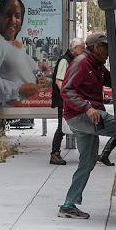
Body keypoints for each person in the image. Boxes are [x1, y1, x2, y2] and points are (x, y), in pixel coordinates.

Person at [58, 32, 116, 219]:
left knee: (87, 162)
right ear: (96, 48)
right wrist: (87, 107)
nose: (108, 51)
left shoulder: (98, 65)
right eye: (105, 47)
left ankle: (68, 205)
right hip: (82, 115)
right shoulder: (82, 62)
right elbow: (66, 90)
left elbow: (114, 80)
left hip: (87, 116)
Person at [0, 0, 43, 108]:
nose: (13, 20)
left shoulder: (13, 44)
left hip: (22, 110)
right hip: (4, 112)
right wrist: (19, 89)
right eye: (8, 15)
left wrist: (39, 74)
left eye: (17, 16)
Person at [49, 37, 85, 165]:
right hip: (64, 100)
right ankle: (54, 154)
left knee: (72, 126)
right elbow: (59, 81)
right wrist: (67, 96)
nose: (84, 50)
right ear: (75, 49)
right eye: (82, 47)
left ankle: (85, 153)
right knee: (61, 127)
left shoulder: (73, 60)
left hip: (68, 99)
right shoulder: (65, 61)